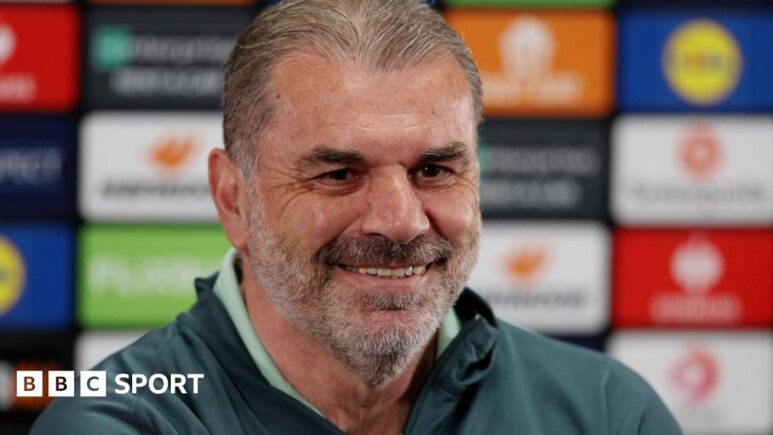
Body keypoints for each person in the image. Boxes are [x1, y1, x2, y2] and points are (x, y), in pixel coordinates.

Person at [32, 0, 682, 434]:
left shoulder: (607, 412)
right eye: (339, 174)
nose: (400, 221)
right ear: (233, 198)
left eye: (434, 169)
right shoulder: (118, 421)